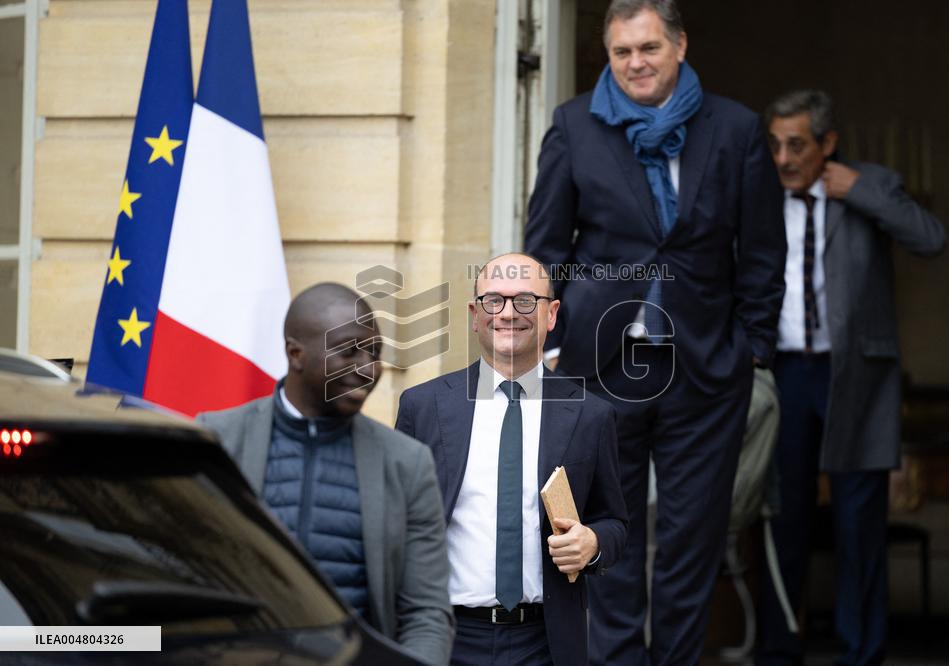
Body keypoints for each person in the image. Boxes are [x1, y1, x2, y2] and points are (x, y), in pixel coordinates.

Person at [524, 0, 786, 663]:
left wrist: (752, 347)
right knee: (608, 537)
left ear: (679, 46)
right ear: (609, 56)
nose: (635, 63)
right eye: (622, 52)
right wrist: (549, 343)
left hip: (705, 370)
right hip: (602, 364)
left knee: (691, 542)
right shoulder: (574, 126)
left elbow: (761, 250)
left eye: (648, 48)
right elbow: (547, 247)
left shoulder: (735, 129)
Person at [758, 90, 946, 665]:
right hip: (784, 373)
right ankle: (779, 650)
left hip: (856, 379)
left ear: (828, 144)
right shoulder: (758, 193)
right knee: (781, 518)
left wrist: (858, 192)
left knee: (858, 525)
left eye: (797, 145)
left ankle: (860, 654)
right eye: (775, 144)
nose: (783, 158)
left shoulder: (872, 182)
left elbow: (931, 239)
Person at [197, 282, 454, 666]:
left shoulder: (406, 464)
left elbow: (427, 614)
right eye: (349, 351)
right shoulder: (216, 441)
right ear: (295, 353)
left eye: (375, 353)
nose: (368, 370)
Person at [395, 253, 628, 666]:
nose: (508, 313)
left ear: (551, 314)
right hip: (445, 637)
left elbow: (614, 522)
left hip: (544, 641)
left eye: (525, 301)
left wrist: (592, 543)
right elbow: (394, 523)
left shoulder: (592, 415)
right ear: (474, 313)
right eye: (493, 301)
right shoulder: (423, 406)